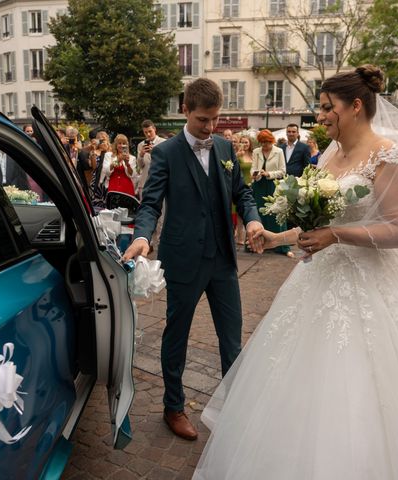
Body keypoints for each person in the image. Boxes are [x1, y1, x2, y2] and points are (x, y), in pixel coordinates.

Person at [193, 65, 398, 479]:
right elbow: (318, 224)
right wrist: (276, 238)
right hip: (317, 285)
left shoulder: (389, 155)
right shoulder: (330, 155)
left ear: (356, 106)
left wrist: (337, 236)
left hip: (371, 290)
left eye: (328, 107)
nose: (321, 115)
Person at [122, 78, 264, 442]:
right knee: (177, 336)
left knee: (232, 338)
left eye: (215, 119)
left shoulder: (225, 148)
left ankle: (235, 407)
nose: (210, 127)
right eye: (203, 119)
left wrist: (252, 219)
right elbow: (151, 203)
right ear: (185, 110)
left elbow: (242, 193)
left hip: (222, 260)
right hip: (183, 259)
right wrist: (141, 236)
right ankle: (174, 407)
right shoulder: (166, 153)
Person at [252, 129, 294, 258]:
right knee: (259, 212)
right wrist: (256, 174)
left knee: (277, 213)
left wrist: (269, 174)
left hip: (273, 185)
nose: (264, 145)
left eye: (267, 142)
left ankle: (282, 246)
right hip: (259, 185)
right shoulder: (256, 152)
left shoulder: (279, 151)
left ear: (272, 141)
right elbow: (253, 168)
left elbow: (283, 171)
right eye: (262, 142)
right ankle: (259, 244)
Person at [136, 119, 167, 201]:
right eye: (145, 132)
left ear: (154, 129)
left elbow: (166, 162)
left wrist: (153, 153)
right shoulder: (141, 145)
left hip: (160, 182)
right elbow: (140, 166)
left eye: (150, 131)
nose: (148, 134)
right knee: (145, 209)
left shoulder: (164, 142)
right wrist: (141, 155)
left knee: (161, 211)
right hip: (145, 182)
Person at [234, 135, 254, 246]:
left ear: (250, 144)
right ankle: (240, 238)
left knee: (250, 212)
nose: (244, 144)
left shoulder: (253, 155)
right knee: (240, 213)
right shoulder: (237, 155)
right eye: (242, 142)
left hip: (252, 185)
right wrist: (237, 155)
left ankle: (249, 238)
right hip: (241, 185)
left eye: (246, 142)